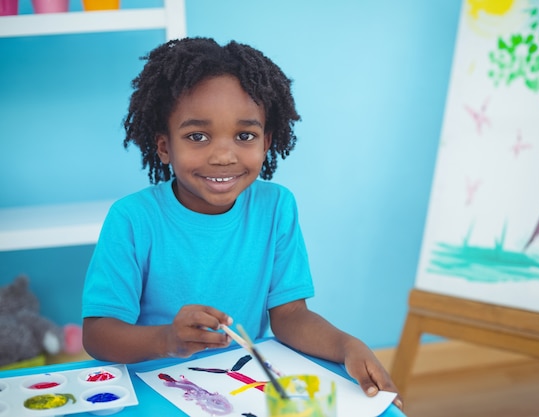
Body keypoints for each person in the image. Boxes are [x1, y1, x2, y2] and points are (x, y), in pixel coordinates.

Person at [81, 37, 402, 410]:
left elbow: (291, 316)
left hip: (239, 389)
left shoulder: (276, 206)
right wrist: (168, 339)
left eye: (244, 136)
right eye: (197, 136)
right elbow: (98, 334)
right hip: (149, 390)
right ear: (164, 146)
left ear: (266, 142)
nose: (223, 155)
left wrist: (348, 345)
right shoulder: (132, 219)